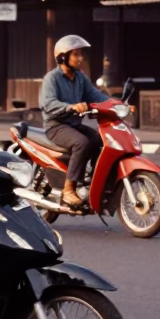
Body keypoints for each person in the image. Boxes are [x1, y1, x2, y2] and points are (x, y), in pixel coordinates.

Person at [39, 34, 109, 209]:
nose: (81, 58)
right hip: (56, 126)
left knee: (100, 139)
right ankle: (68, 190)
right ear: (63, 57)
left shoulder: (80, 77)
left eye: (81, 54)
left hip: (73, 125)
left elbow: (95, 95)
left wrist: (118, 104)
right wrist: (70, 107)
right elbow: (48, 103)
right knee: (82, 143)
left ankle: (92, 180)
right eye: (76, 54)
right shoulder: (51, 78)